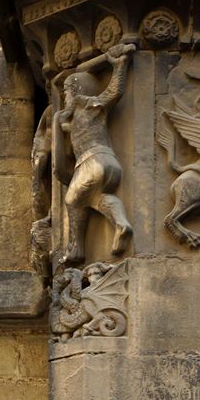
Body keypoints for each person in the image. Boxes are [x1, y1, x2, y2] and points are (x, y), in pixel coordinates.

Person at [56, 45, 134, 265]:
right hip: (110, 164)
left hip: (92, 162)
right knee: (96, 199)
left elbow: (114, 92)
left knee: (72, 200)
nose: (66, 97)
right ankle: (120, 223)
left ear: (77, 90)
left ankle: (76, 249)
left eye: (67, 92)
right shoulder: (79, 115)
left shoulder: (90, 105)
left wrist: (119, 66)